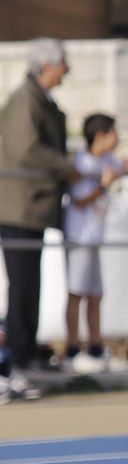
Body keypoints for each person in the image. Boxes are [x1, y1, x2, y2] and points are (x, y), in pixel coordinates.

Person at [0, 37, 74, 378]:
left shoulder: (39, 100)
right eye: (62, 64)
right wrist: (65, 165)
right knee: (22, 284)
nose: (66, 71)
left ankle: (28, 351)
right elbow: (26, 149)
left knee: (31, 283)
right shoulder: (24, 100)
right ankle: (18, 355)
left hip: (33, 207)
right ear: (46, 66)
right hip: (18, 206)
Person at [64, 113, 128, 374]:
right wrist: (103, 187)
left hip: (96, 237)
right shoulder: (81, 162)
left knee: (95, 294)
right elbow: (79, 201)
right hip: (79, 236)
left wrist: (126, 168)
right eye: (114, 133)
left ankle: (95, 346)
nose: (118, 139)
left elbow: (126, 167)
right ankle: (72, 349)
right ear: (101, 135)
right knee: (76, 293)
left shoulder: (108, 160)